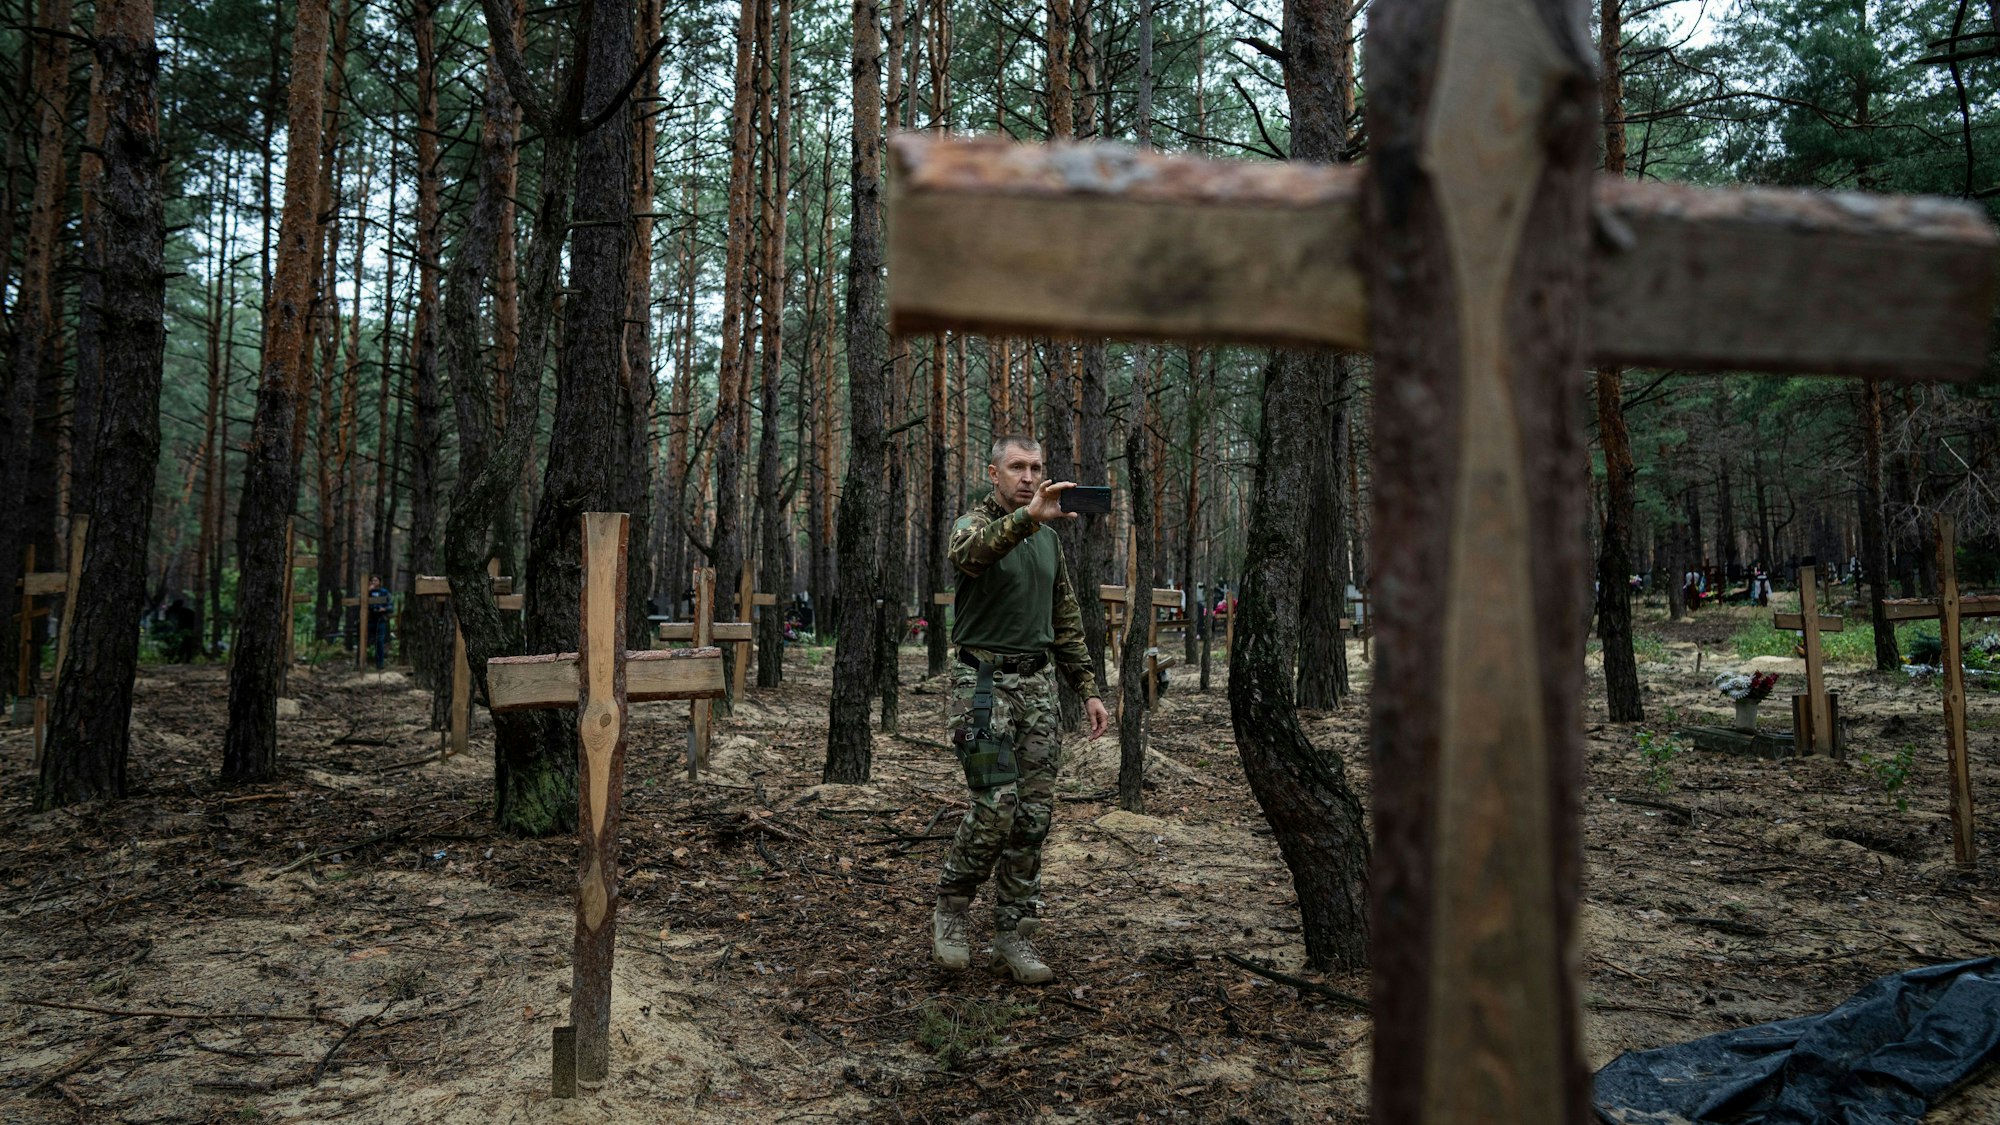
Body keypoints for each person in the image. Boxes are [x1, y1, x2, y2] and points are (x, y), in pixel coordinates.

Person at [932, 434, 1109, 984]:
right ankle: (952, 909)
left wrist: (1087, 687)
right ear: (994, 473)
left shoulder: (1049, 540)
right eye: (1016, 467)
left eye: (1036, 467)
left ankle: (1012, 933)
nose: (1028, 477)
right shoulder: (972, 525)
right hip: (982, 687)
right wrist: (1028, 519)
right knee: (995, 805)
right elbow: (971, 556)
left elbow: (1065, 618)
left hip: (1037, 689)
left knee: (1033, 817)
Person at [365, 575, 393, 670]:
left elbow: (390, 605)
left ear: (379, 582)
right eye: (372, 580)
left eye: (376, 580)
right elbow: (361, 601)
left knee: (379, 642)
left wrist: (384, 609)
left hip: (380, 620)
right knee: (364, 641)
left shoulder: (384, 592)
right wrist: (367, 591)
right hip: (369, 620)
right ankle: (361, 663)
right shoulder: (367, 592)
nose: (374, 582)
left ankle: (380, 664)